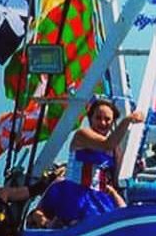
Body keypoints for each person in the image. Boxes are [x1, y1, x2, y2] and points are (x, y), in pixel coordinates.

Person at [35, 97, 143, 227]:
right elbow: (107, 144)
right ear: (90, 119)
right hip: (76, 193)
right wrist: (128, 120)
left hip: (99, 197)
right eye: (98, 118)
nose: (103, 122)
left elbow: (116, 179)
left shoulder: (115, 150)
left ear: (113, 122)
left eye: (107, 119)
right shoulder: (82, 135)